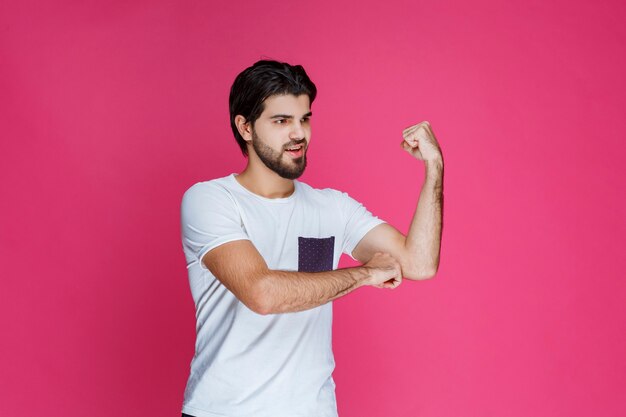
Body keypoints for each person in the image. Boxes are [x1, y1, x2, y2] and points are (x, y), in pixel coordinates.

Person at [180, 59, 444, 417]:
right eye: (281, 121)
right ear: (244, 127)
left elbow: (420, 263)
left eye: (304, 119)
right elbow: (263, 293)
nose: (299, 134)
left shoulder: (332, 207)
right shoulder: (210, 200)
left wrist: (434, 168)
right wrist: (365, 274)